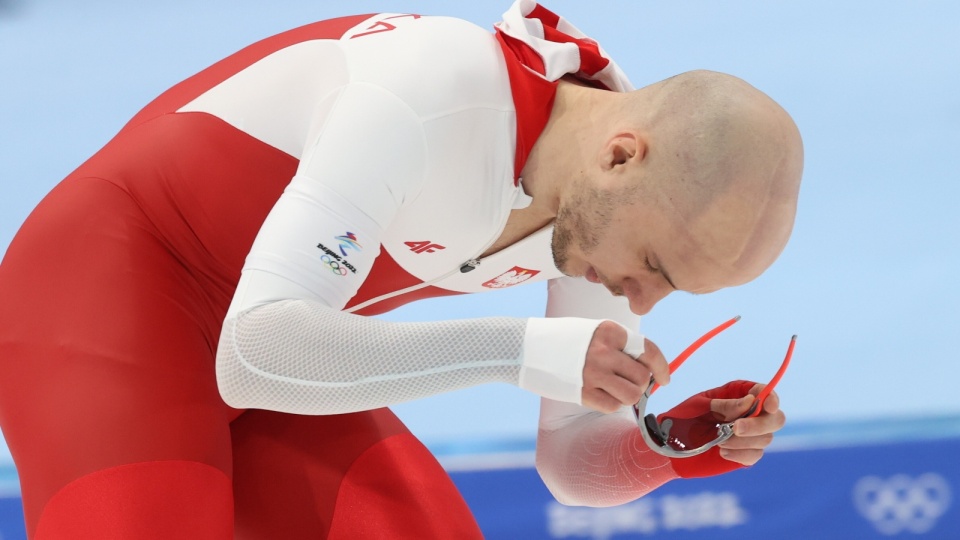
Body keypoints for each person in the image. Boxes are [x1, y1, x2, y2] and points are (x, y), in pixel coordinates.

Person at [0, 1, 803, 538]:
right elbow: (253, 355)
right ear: (621, 154)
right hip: (106, 300)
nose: (640, 299)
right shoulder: (426, 95)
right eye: (654, 267)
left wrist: (670, 444)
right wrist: (520, 351)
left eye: (672, 287)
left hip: (287, 344)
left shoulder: (619, 206)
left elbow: (572, 467)